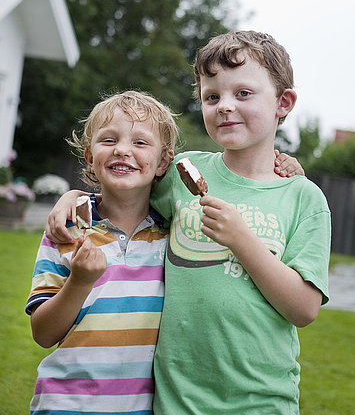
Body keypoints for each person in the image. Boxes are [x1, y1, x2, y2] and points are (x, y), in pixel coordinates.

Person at [46, 30, 329, 414]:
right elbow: (121, 186)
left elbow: (304, 310)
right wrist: (72, 198)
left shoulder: (303, 198)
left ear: (284, 102)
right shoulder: (183, 172)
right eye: (212, 96)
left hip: (262, 399)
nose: (224, 106)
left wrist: (241, 240)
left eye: (242, 93)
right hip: (178, 399)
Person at [26, 90, 178, 415]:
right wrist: (80, 282)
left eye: (140, 143)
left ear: (164, 161)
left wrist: (283, 167)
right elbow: (43, 333)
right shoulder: (64, 229)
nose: (123, 150)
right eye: (109, 140)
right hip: (66, 404)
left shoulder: (175, 232)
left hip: (145, 407)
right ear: (90, 155)